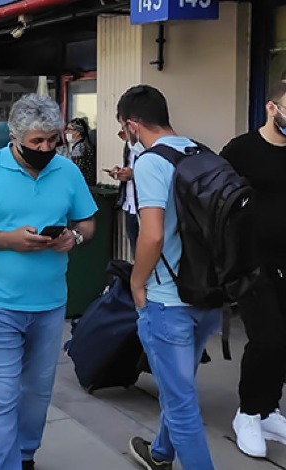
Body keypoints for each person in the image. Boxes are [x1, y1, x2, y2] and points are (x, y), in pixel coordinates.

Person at [0, 93, 97, 470]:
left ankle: (26, 453)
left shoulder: (67, 172)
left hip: (49, 304)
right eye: (36, 142)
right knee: (2, 392)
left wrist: (73, 238)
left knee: (37, 391)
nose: (45, 148)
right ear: (14, 137)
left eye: (51, 140)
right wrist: (8, 240)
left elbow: (88, 222)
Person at [120, 85, 221, 470]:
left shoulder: (149, 162)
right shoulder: (199, 151)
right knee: (180, 387)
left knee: (180, 404)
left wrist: (136, 282)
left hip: (168, 302)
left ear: (132, 125)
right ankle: (160, 454)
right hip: (208, 295)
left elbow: (153, 233)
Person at [221, 81, 286, 459]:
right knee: (267, 338)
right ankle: (246, 413)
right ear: (271, 109)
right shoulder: (241, 150)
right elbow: (217, 201)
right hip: (251, 264)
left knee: (284, 341)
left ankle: (268, 409)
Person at [109, 129, 141, 252]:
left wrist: (134, 174)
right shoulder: (128, 146)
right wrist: (119, 172)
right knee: (135, 249)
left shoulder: (149, 147)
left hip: (142, 205)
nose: (121, 132)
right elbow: (128, 167)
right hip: (129, 203)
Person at [62, 117, 97, 186]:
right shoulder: (85, 144)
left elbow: (74, 169)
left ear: (78, 132)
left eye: (69, 130)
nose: (66, 132)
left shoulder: (80, 147)